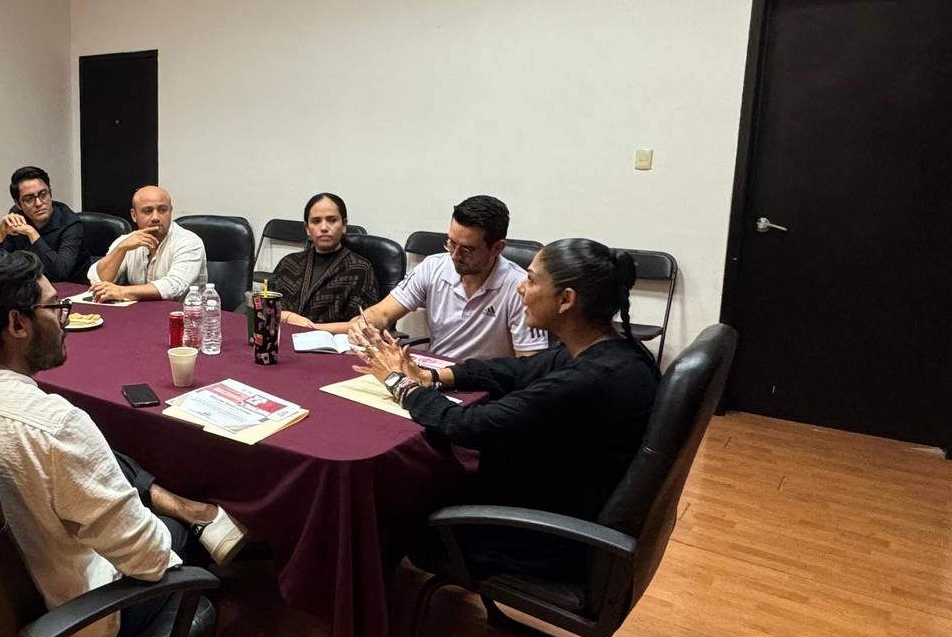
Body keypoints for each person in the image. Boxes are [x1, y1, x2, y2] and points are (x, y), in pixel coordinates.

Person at [0, 248, 247, 637]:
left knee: (104, 472)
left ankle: (165, 503)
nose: (65, 319)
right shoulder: (57, 425)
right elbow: (149, 560)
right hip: (67, 635)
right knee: (184, 542)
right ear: (17, 323)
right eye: (56, 308)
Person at [351, 238, 660, 580]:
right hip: (554, 500)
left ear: (566, 299)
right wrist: (432, 376)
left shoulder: (588, 380)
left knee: (395, 497)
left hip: (538, 537)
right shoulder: (609, 352)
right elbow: (515, 370)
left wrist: (399, 383)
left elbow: (465, 424)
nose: (520, 287)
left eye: (532, 279)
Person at [331, 195, 547, 360]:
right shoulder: (433, 267)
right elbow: (383, 311)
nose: (455, 255)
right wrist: (366, 324)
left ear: (497, 248)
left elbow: (530, 364)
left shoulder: (520, 288)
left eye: (467, 249)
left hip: (487, 385)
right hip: (432, 374)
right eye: (451, 242)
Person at [271, 193, 382, 328]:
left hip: (334, 341)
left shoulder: (359, 268)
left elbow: (363, 325)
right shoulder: (289, 263)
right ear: (307, 228)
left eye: (332, 220)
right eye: (316, 221)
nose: (323, 228)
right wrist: (289, 317)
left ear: (344, 225)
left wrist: (309, 327)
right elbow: (267, 308)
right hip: (282, 337)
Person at [87, 185, 206, 303]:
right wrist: (121, 249)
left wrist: (121, 291)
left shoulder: (189, 242)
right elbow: (98, 281)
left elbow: (174, 286)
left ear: (170, 211)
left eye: (162, 210)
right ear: (134, 215)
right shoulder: (127, 241)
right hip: (139, 311)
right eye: (148, 211)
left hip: (184, 313)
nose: (156, 217)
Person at [0, 165, 87, 282]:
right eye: (29, 199)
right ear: (18, 204)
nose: (39, 203)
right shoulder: (17, 219)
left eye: (43, 194)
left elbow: (59, 273)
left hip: (72, 287)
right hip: (32, 285)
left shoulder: (71, 223)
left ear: (50, 193)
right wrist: (0, 233)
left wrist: (32, 233)